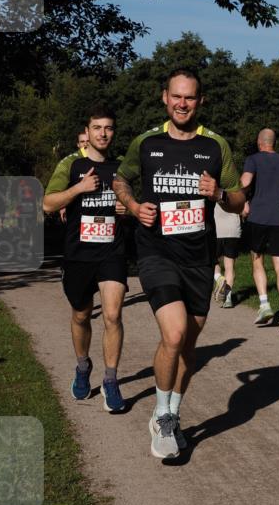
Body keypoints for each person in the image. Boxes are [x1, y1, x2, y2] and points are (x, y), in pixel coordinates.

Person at [113, 68, 246, 459]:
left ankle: (172, 412)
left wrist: (219, 192)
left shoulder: (215, 145)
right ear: (164, 97)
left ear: (199, 101)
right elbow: (121, 179)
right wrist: (135, 207)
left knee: (188, 345)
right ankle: (160, 415)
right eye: (176, 96)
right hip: (157, 252)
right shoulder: (147, 142)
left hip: (199, 259)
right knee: (174, 334)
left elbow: (238, 200)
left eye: (190, 97)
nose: (182, 103)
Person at [43, 105, 128, 414]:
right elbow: (48, 204)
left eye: (108, 128)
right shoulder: (72, 166)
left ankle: (110, 379)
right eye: (97, 128)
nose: (103, 133)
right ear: (88, 132)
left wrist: (127, 208)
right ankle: (82, 367)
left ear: (112, 132)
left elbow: (140, 204)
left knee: (113, 315)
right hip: (79, 253)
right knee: (81, 315)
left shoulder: (123, 167)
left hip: (112, 252)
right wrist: (78, 188)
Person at [240, 128, 279, 331]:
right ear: (273, 143)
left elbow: (246, 182)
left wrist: (240, 199)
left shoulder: (253, 160)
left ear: (259, 142)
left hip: (257, 218)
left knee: (257, 260)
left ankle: (265, 305)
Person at [213, 202, 242, 308]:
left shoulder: (212, 188)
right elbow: (245, 210)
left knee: (213, 262)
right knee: (229, 266)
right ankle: (228, 298)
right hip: (233, 230)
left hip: (216, 230)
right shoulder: (236, 189)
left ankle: (219, 279)